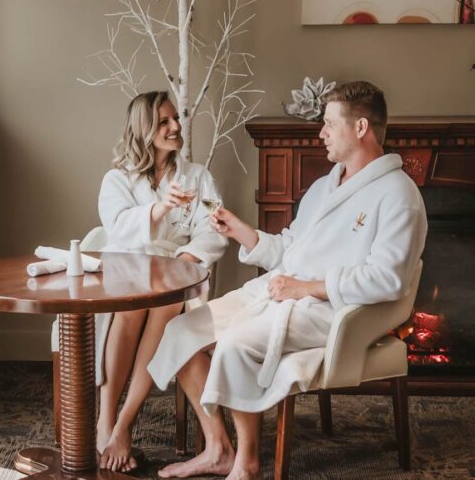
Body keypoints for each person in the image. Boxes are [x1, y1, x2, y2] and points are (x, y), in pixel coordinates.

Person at [147, 81, 428, 479]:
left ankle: (244, 463)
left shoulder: (398, 194)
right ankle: (218, 448)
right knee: (181, 330)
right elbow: (290, 249)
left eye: (330, 124)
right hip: (280, 290)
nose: (321, 133)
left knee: (235, 343)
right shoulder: (325, 186)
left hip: (333, 308)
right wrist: (239, 231)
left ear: (361, 127)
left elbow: (388, 280)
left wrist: (306, 289)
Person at [96, 91, 228, 472]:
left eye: (175, 119)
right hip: (130, 269)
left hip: (176, 274)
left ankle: (124, 422)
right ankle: (107, 419)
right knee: (131, 309)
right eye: (164, 122)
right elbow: (117, 228)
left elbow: (214, 231)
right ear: (144, 129)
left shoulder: (197, 176)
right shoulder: (117, 179)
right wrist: (160, 207)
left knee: (167, 303)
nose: (175, 127)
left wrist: (186, 261)